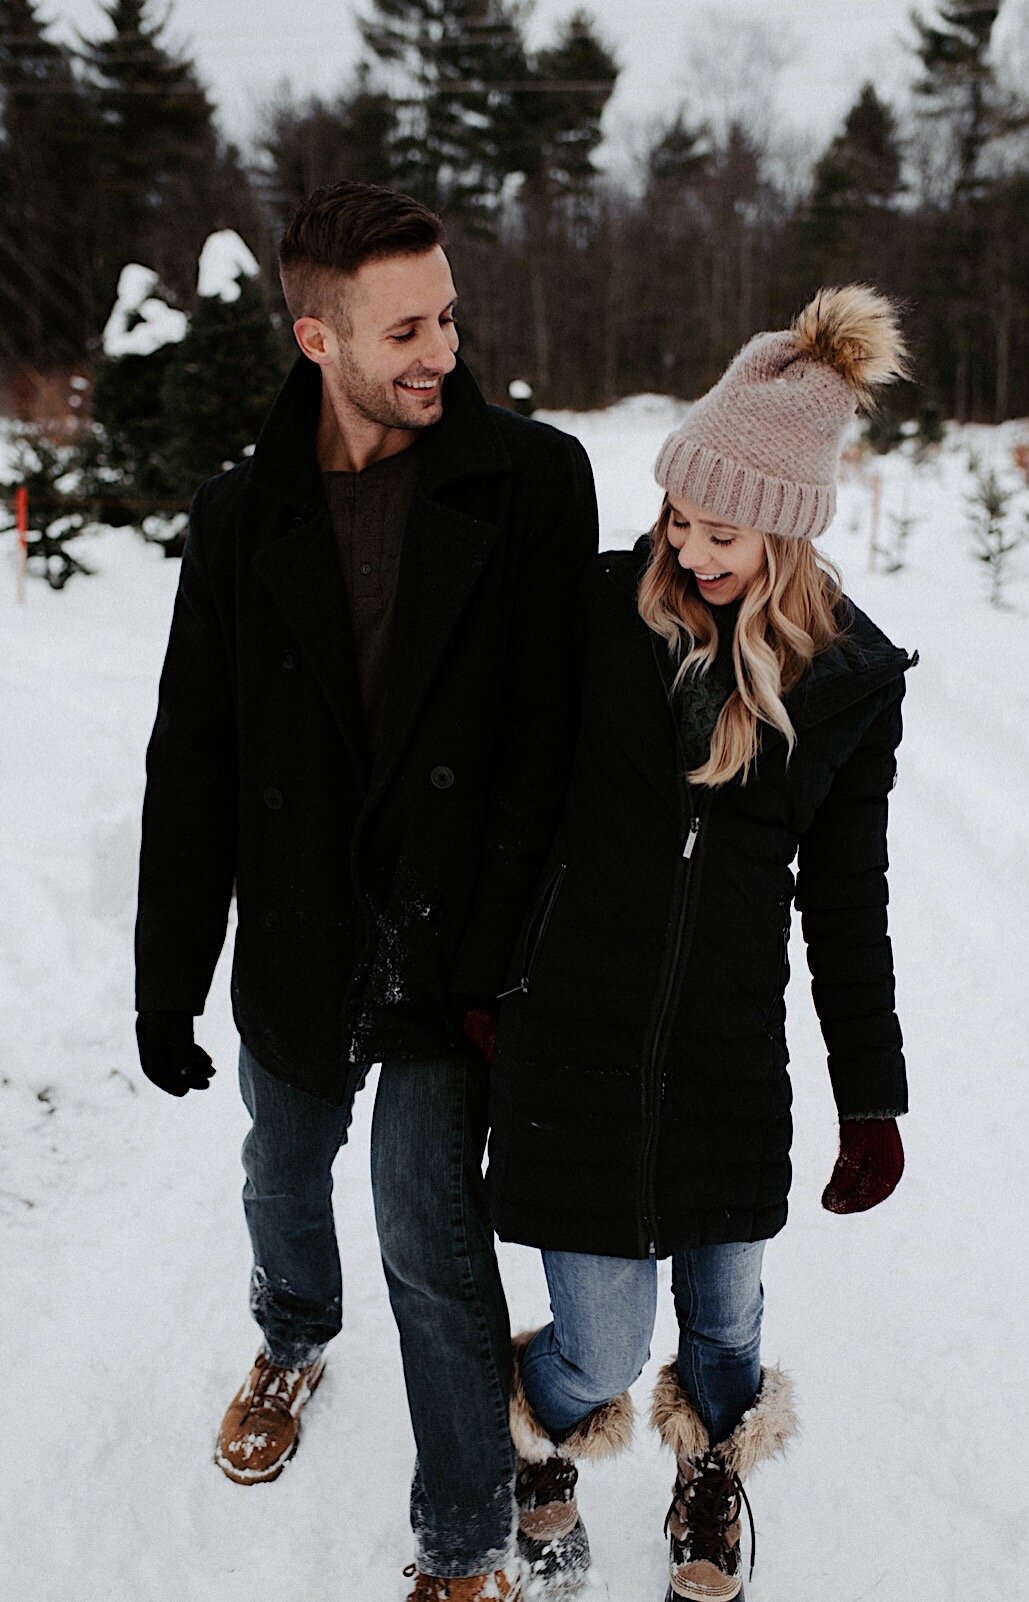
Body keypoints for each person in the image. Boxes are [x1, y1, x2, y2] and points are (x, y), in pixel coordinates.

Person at [133, 181, 598, 1602]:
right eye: (407, 327)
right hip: (295, 932)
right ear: (316, 335)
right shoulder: (236, 520)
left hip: (451, 943)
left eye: (449, 315)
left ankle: (463, 1544)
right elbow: (195, 761)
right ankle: (292, 1334)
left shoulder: (532, 482)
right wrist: (166, 976)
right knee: (284, 1165)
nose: (443, 351)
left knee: (423, 1223)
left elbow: (550, 745)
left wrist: (510, 962)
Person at [487, 286, 916, 1602]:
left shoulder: (845, 687)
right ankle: (530, 1424)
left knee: (726, 1331)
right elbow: (516, 807)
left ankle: (709, 1472)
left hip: (728, 1056)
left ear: (786, 530)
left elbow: (847, 908)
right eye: (679, 515)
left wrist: (873, 1094)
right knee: (606, 1340)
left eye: (721, 529)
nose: (689, 545)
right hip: (577, 1044)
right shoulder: (604, 617)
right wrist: (485, 982)